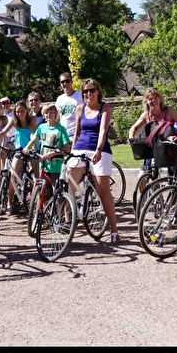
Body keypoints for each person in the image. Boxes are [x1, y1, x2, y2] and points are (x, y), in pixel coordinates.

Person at [66, 78, 120, 243]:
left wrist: (98, 149)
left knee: (103, 190)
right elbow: (76, 133)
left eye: (91, 90)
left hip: (99, 149)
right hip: (80, 148)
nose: (88, 94)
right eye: (85, 91)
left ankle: (114, 230)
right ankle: (68, 223)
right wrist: (72, 152)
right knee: (69, 184)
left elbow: (103, 130)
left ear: (98, 91)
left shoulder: (105, 108)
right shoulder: (80, 109)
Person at [0, 100, 38, 214]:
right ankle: (10, 203)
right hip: (19, 150)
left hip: (31, 149)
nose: (20, 114)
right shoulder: (14, 120)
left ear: (26, 111)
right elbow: (3, 133)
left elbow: (33, 134)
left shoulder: (32, 119)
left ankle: (37, 203)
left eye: (22, 111)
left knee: (36, 178)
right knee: (12, 176)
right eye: (17, 112)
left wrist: (29, 147)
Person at [129, 88, 177, 191]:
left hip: (169, 148)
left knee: (174, 179)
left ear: (160, 99)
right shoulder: (146, 115)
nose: (153, 101)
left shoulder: (169, 111)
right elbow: (134, 127)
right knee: (141, 179)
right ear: (146, 101)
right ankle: (145, 202)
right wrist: (131, 137)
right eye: (150, 99)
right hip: (153, 149)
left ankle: (173, 201)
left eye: (155, 98)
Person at [23, 103, 71, 197]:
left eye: (51, 112)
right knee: (44, 193)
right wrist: (27, 147)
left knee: (57, 193)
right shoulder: (42, 127)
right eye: (46, 113)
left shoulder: (61, 129)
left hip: (56, 165)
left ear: (56, 114)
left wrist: (52, 154)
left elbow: (67, 149)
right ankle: (44, 211)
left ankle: (58, 210)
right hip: (44, 164)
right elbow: (34, 139)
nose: (48, 115)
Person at [55, 72, 83, 143]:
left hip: (76, 134)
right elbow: (56, 117)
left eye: (67, 81)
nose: (65, 84)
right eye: (62, 82)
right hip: (63, 134)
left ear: (71, 82)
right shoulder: (60, 99)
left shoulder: (80, 96)